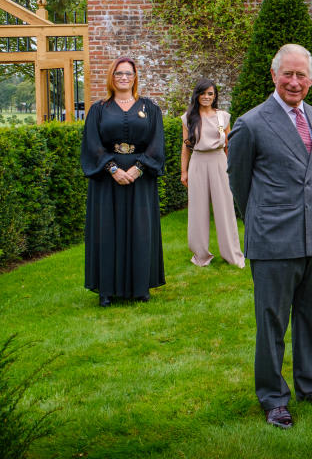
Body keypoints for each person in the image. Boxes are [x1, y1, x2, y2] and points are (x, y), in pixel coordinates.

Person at [227, 44, 312, 429]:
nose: (294, 82)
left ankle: (311, 385)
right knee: (272, 322)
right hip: (273, 239)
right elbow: (239, 184)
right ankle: (272, 396)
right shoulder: (251, 123)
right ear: (274, 75)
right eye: (288, 74)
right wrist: (265, 220)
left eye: (302, 75)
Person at [80, 57, 165, 307]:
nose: (124, 78)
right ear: (112, 77)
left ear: (135, 76)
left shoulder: (150, 109)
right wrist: (113, 168)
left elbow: (156, 143)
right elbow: (92, 144)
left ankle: (140, 287)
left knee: (140, 230)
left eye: (128, 73)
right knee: (107, 231)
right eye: (119, 74)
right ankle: (107, 289)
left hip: (141, 179)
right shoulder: (99, 109)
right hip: (107, 180)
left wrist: (138, 169)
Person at [180, 79, 244, 269]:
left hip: (219, 162)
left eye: (210, 93)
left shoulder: (223, 116)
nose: (206, 97)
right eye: (203, 93)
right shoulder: (188, 118)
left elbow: (229, 146)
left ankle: (232, 254)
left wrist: (231, 169)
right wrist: (184, 172)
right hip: (198, 162)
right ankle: (200, 254)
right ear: (197, 95)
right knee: (198, 210)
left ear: (215, 96)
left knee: (225, 208)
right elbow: (186, 148)